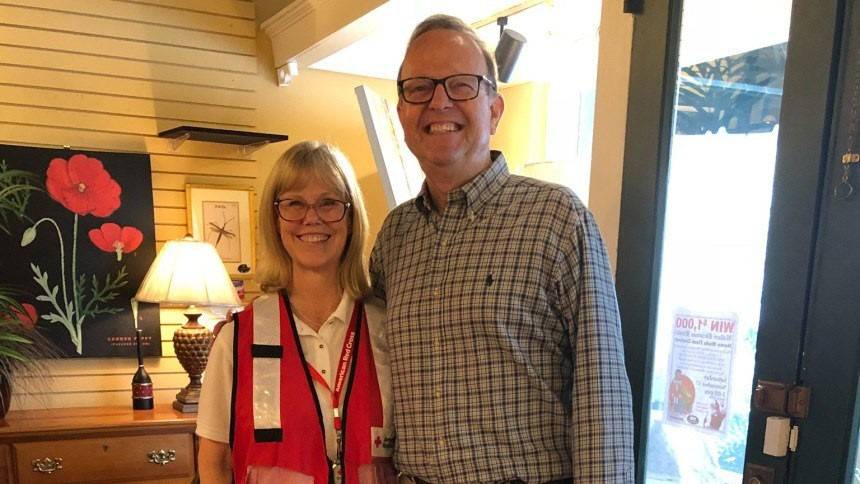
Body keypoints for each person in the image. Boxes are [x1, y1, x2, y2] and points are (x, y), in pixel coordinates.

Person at [369, 15, 634, 483]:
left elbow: (602, 396)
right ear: (402, 114)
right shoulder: (395, 238)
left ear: (494, 109)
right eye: (420, 88)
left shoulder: (556, 218)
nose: (438, 101)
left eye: (461, 85)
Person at [197, 141, 395, 484]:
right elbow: (214, 462)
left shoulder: (388, 330)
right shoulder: (237, 339)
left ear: (351, 217)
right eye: (294, 204)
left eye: (329, 203)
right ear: (275, 220)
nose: (311, 217)